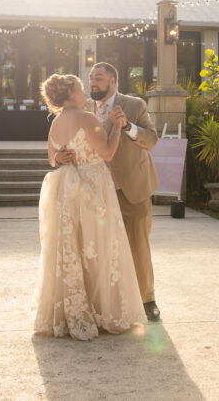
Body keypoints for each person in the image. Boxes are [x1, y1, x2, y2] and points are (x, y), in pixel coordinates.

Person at [34, 73, 146, 340]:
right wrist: (118, 125)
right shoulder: (86, 118)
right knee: (101, 248)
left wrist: (61, 156)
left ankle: (75, 310)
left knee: (76, 246)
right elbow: (107, 152)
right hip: (93, 188)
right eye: (81, 89)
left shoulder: (56, 122)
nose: (85, 92)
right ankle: (101, 311)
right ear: (72, 94)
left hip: (67, 191)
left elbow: (52, 159)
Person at [56, 62, 161, 323]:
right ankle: (111, 303)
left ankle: (148, 300)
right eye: (91, 78)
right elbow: (64, 139)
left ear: (113, 81)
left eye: (99, 78)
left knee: (138, 246)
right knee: (101, 249)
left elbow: (152, 139)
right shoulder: (82, 108)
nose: (93, 83)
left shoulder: (134, 105)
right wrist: (60, 155)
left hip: (132, 188)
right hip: (95, 193)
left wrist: (127, 127)